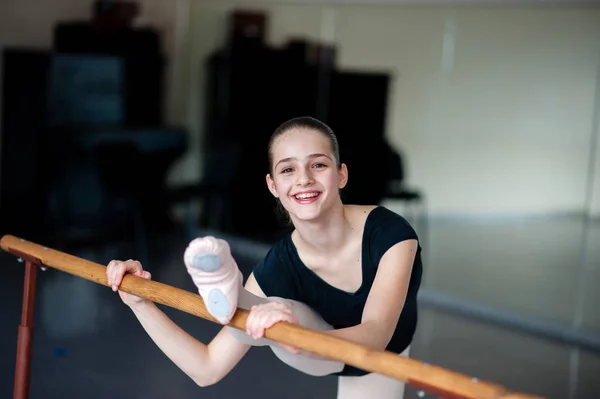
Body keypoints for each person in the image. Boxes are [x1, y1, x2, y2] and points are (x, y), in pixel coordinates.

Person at [106, 116, 423, 399]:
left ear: (341, 175)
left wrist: (296, 336)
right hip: (310, 350)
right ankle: (239, 296)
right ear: (273, 185)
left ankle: (267, 313)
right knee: (278, 310)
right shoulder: (279, 267)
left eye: (318, 165)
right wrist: (140, 301)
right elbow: (207, 368)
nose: (303, 179)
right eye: (288, 169)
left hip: (378, 356)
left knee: (278, 313)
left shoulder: (391, 235)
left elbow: (376, 334)